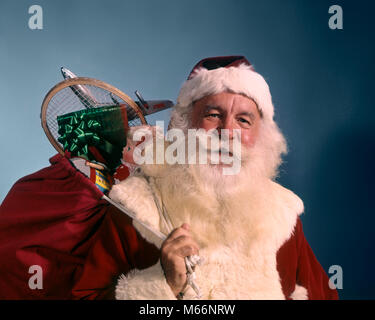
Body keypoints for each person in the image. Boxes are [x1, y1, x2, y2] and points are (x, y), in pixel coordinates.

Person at [107, 55, 338, 300]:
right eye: (213, 115)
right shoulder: (133, 207)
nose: (227, 132)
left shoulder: (283, 215)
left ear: (261, 137)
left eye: (243, 120)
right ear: (184, 126)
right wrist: (165, 285)